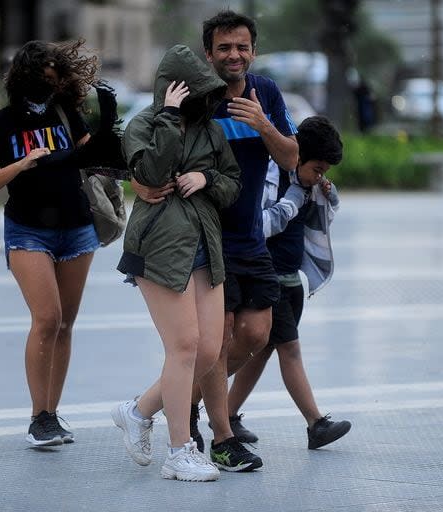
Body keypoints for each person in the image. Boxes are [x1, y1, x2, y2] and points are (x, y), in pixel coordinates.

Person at [132, 11, 299, 472]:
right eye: (224, 47)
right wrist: (138, 184)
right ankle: (220, 438)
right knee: (212, 344)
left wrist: (265, 125)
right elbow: (149, 154)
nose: (234, 55)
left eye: (242, 46)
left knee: (255, 335)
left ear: (253, 50)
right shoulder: (198, 99)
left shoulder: (265, 93)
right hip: (203, 237)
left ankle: (162, 401)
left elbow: (291, 158)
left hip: (250, 235)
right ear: (209, 53)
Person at [0, 39, 123, 447]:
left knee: (65, 324)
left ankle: (52, 415)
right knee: (47, 318)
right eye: (43, 77)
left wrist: (107, 123)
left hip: (77, 227)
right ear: (22, 77)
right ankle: (38, 416)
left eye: (55, 78)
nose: (49, 84)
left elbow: (99, 159)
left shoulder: (64, 113)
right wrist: (20, 165)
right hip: (27, 229)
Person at [111, 44, 241, 482]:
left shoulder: (211, 132)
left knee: (207, 350)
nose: (200, 100)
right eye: (190, 92)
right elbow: (149, 174)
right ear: (171, 89)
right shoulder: (143, 124)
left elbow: (232, 182)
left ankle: (139, 410)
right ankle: (179, 450)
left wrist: (207, 178)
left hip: (206, 243)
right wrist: (167, 117)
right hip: (160, 247)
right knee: (184, 347)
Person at [226, 115, 352, 449]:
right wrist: (296, 196)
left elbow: (320, 221)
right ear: (297, 157)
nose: (320, 176)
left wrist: (325, 192)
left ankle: (225, 415)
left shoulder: (307, 184)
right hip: (269, 279)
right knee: (290, 350)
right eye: (318, 169)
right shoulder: (271, 179)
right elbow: (260, 225)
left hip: (290, 278)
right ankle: (316, 424)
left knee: (261, 351)